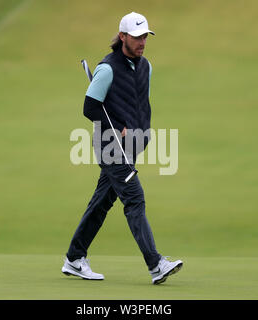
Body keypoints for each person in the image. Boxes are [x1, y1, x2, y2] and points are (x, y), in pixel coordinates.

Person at [62, 12, 183, 285]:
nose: (142, 42)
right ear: (123, 37)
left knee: (101, 203)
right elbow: (90, 107)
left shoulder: (145, 66)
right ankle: (156, 265)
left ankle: (74, 258)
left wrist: (142, 131)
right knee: (135, 199)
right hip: (110, 146)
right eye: (137, 37)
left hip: (132, 146)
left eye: (145, 37)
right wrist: (117, 125)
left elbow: (140, 103)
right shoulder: (107, 69)